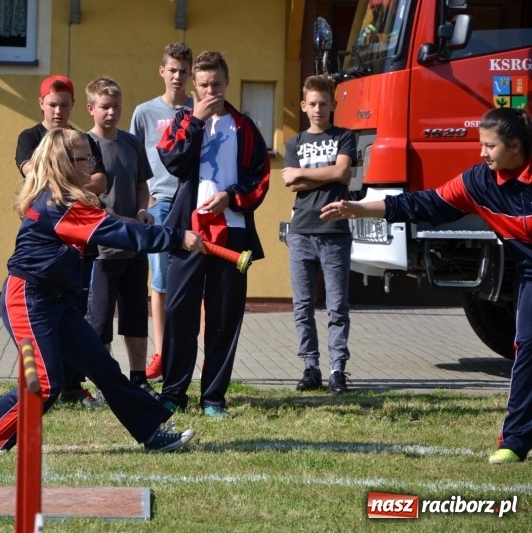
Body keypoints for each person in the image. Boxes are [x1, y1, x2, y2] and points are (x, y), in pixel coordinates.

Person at [0, 128, 202, 454]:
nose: (92, 164)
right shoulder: (60, 205)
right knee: (45, 383)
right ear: (65, 162)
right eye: (85, 158)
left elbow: (113, 222)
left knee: (105, 370)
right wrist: (176, 237)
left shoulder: (68, 201)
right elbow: (119, 233)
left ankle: (152, 433)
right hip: (29, 298)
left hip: (56, 300)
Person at [320, 107, 532, 464]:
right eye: (481, 145)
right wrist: (361, 209)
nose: (481, 153)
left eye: (489, 146)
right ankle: (514, 442)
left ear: (515, 146)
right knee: (527, 346)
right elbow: (426, 203)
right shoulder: (479, 182)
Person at [156, 51, 270, 418]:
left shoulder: (244, 126)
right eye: (203, 85)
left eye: (216, 84)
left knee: (223, 318)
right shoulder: (182, 120)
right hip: (189, 234)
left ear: (227, 81)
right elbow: (171, 160)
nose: (210, 91)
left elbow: (260, 178)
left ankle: (213, 398)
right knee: (178, 314)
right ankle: (174, 392)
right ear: (193, 84)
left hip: (232, 235)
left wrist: (232, 197)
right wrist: (195, 121)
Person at [14, 75, 107, 408]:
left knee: (76, 311)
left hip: (80, 239)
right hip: (45, 249)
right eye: (52, 105)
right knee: (43, 313)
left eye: (64, 105)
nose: (58, 111)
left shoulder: (81, 140)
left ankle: (72, 383)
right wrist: (74, 188)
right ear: (41, 104)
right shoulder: (31, 137)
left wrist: (66, 187)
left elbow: (100, 179)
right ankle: (42, 379)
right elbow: (32, 172)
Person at [84, 77, 160, 398]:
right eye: (104, 107)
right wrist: (124, 221)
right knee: (100, 318)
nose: (111, 112)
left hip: (134, 245)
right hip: (101, 249)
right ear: (91, 109)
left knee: (134, 315)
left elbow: (143, 185)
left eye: (116, 106)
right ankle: (107, 382)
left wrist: (143, 211)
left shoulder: (131, 143)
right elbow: (86, 200)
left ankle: (138, 377)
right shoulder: (83, 146)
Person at [282, 75, 357, 394]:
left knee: (338, 305)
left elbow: (343, 173)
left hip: (335, 233)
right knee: (303, 305)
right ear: (303, 106)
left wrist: (303, 174)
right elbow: (290, 183)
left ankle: (337, 370)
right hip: (300, 232)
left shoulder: (345, 136)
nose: (318, 109)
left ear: (333, 105)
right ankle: (310, 367)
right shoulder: (294, 143)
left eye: (323, 104)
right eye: (312, 104)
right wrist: (321, 178)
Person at [129, 42, 194, 382]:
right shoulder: (144, 112)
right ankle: (161, 353)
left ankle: (185, 351)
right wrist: (144, 203)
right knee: (160, 282)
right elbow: (134, 160)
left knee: (192, 280)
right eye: (172, 70)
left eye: (184, 71)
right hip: (160, 203)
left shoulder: (200, 109)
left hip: (193, 202)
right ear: (162, 71)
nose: (178, 76)